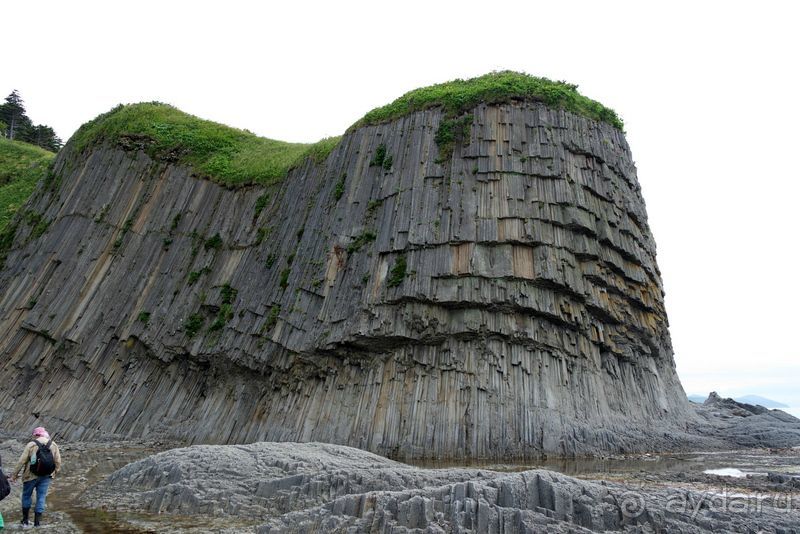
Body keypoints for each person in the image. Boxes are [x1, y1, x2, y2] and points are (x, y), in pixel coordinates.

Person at [10, 427, 62, 528]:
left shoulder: (31, 444)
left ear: (36, 435)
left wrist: (14, 475)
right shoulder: (53, 444)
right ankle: (37, 523)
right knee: (41, 497)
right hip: (46, 476)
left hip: (30, 475)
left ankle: (25, 521)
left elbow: (21, 461)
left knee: (26, 496)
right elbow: (58, 461)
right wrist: (54, 473)